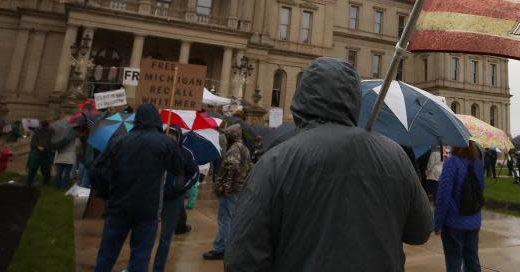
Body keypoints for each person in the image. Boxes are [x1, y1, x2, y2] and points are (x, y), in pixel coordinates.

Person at [224, 57, 432, 271]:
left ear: (301, 98)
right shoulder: (395, 155)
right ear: (354, 100)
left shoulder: (274, 162)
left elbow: (243, 258)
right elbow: (421, 230)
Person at [90, 104, 184, 272]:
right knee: (140, 256)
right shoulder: (165, 142)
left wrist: (106, 193)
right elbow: (178, 168)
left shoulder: (119, 140)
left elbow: (97, 170)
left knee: (107, 254)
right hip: (147, 208)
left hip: (119, 204)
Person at [202, 123, 251, 260]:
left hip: (230, 189)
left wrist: (227, 185)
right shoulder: (244, 148)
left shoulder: (235, 148)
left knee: (225, 219)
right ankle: (228, 246)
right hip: (238, 187)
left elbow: (233, 166)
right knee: (230, 218)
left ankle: (221, 248)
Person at [152, 127, 199, 272]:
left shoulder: (185, 153)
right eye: (169, 134)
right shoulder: (155, 149)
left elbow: (194, 172)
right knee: (147, 234)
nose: (171, 137)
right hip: (152, 198)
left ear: (179, 137)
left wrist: (181, 187)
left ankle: (158, 268)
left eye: (174, 135)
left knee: (166, 236)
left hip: (173, 200)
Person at [434, 143, 484, 272]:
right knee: (472, 260)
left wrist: (438, 223)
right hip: (473, 221)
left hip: (454, 222)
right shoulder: (478, 163)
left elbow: (443, 196)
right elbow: (480, 190)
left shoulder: (451, 163)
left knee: (454, 263)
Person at [26, 120, 54, 186]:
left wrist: (37, 146)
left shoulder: (37, 131)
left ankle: (29, 183)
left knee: (33, 168)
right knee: (45, 169)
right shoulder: (51, 131)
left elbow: (33, 142)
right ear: (48, 125)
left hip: (38, 152)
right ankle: (45, 182)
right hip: (45, 152)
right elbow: (52, 141)